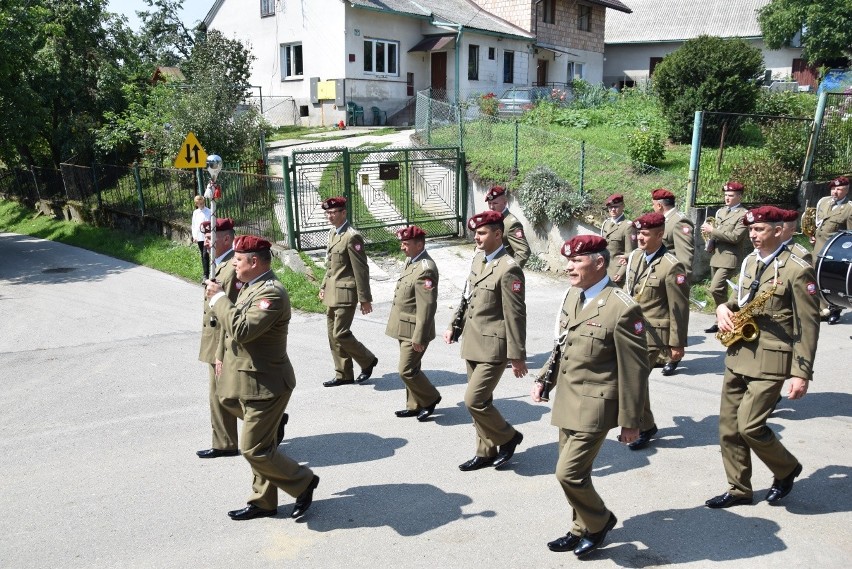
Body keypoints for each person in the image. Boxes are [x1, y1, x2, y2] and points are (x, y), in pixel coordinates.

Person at [532, 235, 649, 558]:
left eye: (577, 261)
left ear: (599, 263)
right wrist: (545, 380)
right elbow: (562, 346)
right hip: (568, 399)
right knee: (576, 475)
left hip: (597, 405)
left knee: (567, 473)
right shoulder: (573, 296)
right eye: (568, 261)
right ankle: (579, 527)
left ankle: (600, 522)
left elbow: (635, 371)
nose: (569, 267)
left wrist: (631, 421)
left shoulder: (622, 308)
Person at [706, 206, 819, 509]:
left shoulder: (797, 268)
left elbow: (808, 325)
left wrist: (801, 373)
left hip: (772, 360)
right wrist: (722, 308)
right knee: (728, 428)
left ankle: (786, 468)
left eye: (760, 230)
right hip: (738, 353)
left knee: (750, 426)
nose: (753, 235)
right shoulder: (749, 262)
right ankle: (739, 489)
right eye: (752, 230)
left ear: (779, 230)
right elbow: (742, 300)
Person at [206, 235, 320, 521]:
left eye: (238, 260)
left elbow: (242, 330)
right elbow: (231, 329)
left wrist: (218, 298)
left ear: (254, 262)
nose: (234, 264)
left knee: (253, 449)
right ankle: (263, 501)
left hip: (266, 385)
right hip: (247, 381)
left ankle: (303, 481)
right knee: (257, 439)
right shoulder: (250, 287)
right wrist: (220, 355)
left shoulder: (272, 293)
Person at [443, 210, 527, 471]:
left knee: (474, 400)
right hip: (472, 341)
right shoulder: (478, 260)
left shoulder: (509, 269)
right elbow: (467, 297)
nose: (476, 238)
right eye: (475, 233)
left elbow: (515, 316)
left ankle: (509, 437)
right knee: (482, 402)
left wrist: (517, 355)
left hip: (494, 347)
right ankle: (485, 450)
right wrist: (454, 325)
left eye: (481, 233)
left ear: (498, 234)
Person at [623, 213, 689, 450]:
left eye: (646, 234)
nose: (640, 238)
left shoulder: (671, 266)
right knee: (635, 381)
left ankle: (643, 426)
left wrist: (677, 344)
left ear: (660, 235)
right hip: (631, 330)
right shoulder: (635, 257)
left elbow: (678, 308)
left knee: (634, 381)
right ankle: (647, 424)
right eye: (638, 233)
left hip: (653, 335)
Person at [318, 196, 378, 387]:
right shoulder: (333, 233)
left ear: (344, 213)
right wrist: (323, 286)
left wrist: (365, 299)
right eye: (327, 213)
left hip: (346, 292)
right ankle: (343, 373)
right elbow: (330, 266)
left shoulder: (352, 236)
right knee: (332, 334)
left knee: (340, 333)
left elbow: (361, 269)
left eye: (334, 212)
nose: (330, 216)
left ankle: (367, 360)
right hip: (332, 291)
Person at [196, 218, 243, 459]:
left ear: (226, 239)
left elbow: (230, 311)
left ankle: (268, 421)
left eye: (211, 235)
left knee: (225, 393)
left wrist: (220, 352)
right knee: (218, 394)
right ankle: (225, 442)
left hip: (223, 341)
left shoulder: (233, 268)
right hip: (212, 338)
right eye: (205, 235)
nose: (206, 240)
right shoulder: (216, 265)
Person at [385, 226, 442, 421]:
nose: (402, 247)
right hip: (405, 326)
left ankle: (430, 398)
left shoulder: (426, 269)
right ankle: (414, 404)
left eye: (406, 244)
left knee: (406, 370)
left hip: (415, 330)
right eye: (402, 243)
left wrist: (420, 336)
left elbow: (427, 307)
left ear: (420, 244)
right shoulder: (412, 261)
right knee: (411, 368)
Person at [650, 188, 694, 375]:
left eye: (653, 205)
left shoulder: (679, 222)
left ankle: (674, 357)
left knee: (675, 316)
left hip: (673, 278)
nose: (653, 208)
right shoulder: (665, 221)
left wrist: (680, 281)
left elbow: (685, 257)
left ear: (659, 205)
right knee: (661, 315)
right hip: (660, 275)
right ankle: (662, 354)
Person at [701, 182, 748, 333]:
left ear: (739, 196)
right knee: (720, 290)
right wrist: (711, 242)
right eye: (726, 195)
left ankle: (727, 315)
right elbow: (717, 232)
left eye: (731, 196)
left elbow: (735, 237)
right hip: (716, 256)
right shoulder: (720, 212)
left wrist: (712, 230)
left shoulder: (743, 215)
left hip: (729, 257)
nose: (727, 198)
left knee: (715, 288)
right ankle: (722, 319)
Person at [809, 176, 852, 324]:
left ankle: (834, 309)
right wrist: (813, 236)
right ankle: (821, 309)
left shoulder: (849, 208)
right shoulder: (824, 202)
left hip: (833, 251)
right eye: (833, 188)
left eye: (839, 189)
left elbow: (849, 234)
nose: (835, 192)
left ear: (846, 190)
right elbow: (819, 225)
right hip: (818, 248)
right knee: (816, 279)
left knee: (831, 280)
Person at [484, 185, 531, 268]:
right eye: (489, 203)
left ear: (505, 203)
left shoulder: (511, 223)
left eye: (495, 203)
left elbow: (523, 251)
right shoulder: (491, 218)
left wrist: (510, 271)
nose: (491, 207)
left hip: (500, 270)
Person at [600, 193, 635, 284]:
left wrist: (621, 273)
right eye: (610, 207)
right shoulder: (606, 224)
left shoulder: (628, 226)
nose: (612, 209)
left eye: (616, 207)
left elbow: (631, 254)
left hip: (616, 273)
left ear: (623, 206)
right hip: (603, 270)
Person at [191, 195, 212, 282]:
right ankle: (206, 274)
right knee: (203, 255)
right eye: (199, 203)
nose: (201, 205)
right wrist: (194, 236)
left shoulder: (209, 211)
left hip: (208, 236)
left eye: (202, 203)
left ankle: (206, 275)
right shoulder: (195, 213)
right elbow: (194, 225)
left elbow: (212, 223)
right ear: (196, 204)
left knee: (206, 254)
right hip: (199, 237)